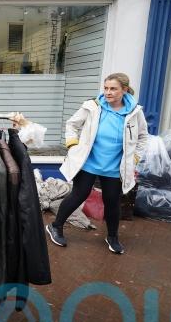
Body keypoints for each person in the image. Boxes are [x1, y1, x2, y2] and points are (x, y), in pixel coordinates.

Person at [46, 73, 148, 254]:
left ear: (124, 90)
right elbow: (72, 124)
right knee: (78, 195)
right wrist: (73, 145)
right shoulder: (92, 106)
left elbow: (142, 137)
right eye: (106, 88)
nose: (108, 92)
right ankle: (56, 226)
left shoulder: (135, 112)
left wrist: (134, 158)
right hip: (89, 162)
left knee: (112, 202)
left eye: (113, 89)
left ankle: (112, 237)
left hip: (114, 166)